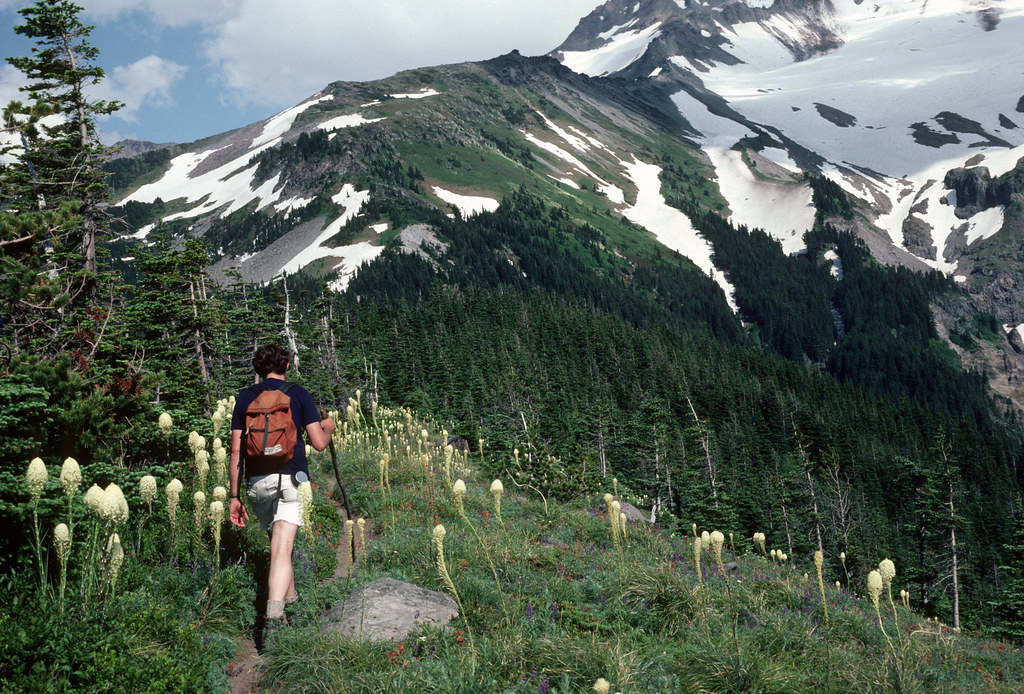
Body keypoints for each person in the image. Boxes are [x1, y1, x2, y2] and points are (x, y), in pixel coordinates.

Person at [228, 343, 336, 631]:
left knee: (279, 548)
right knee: (282, 550)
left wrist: (234, 497)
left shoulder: (244, 399)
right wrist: (329, 426)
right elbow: (319, 443)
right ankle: (273, 619)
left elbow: (236, 453)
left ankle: (292, 607)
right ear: (287, 366)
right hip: (291, 481)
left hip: (256, 483)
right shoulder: (298, 394)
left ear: (258, 369)